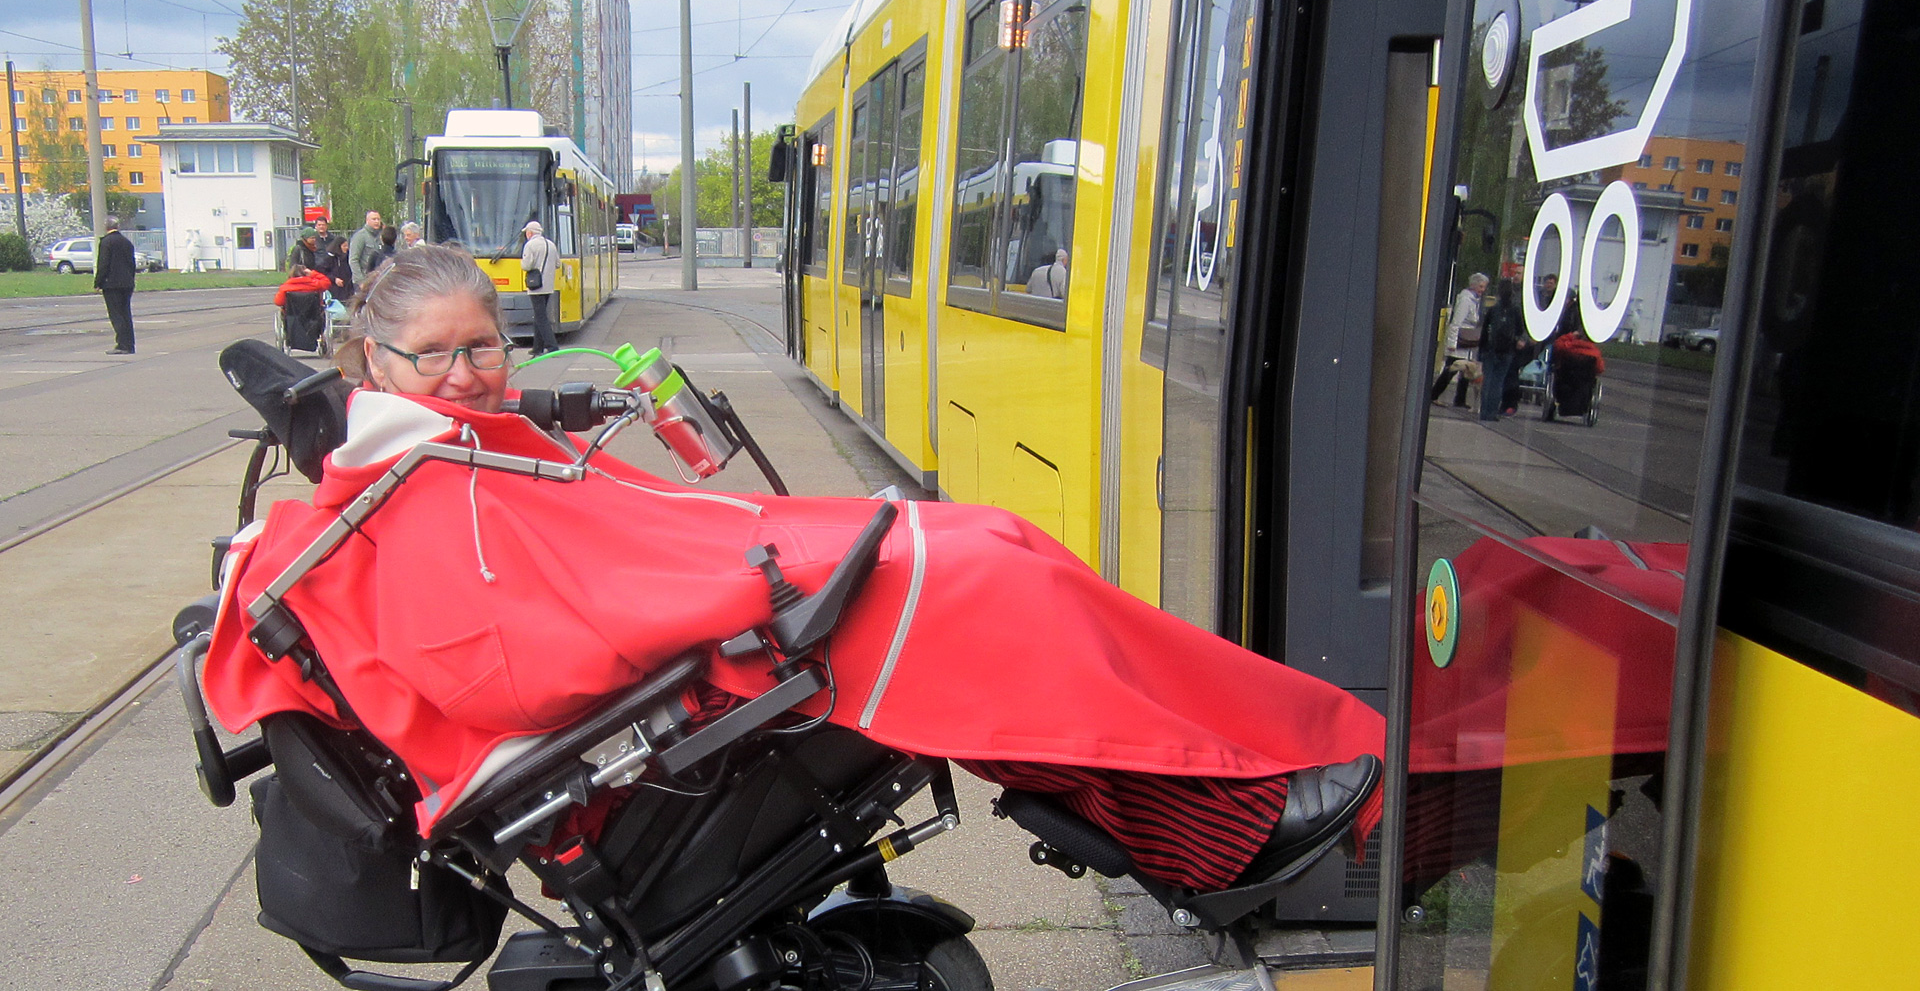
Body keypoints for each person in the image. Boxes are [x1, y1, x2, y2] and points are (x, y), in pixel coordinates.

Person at [205, 247, 1384, 894]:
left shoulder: (423, 451)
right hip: (678, 662)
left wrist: (727, 570)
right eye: (440, 356)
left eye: (486, 346)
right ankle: (1231, 809)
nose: (472, 374)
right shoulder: (404, 493)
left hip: (701, 616)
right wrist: (736, 593)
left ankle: (1220, 803)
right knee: (983, 580)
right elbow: (513, 661)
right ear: (372, 357)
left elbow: (571, 573)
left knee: (991, 547)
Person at [1430, 273, 1487, 407]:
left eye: (1484, 287)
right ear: (1473, 285)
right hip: (1460, 340)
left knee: (1467, 370)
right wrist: (1452, 343)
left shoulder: (1475, 300)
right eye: (1481, 286)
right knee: (1451, 369)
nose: (1483, 290)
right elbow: (1456, 323)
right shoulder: (1466, 300)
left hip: (1467, 341)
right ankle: (1434, 394)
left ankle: (1460, 399)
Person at [1478, 278, 1523, 421]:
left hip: (1491, 349)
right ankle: (1492, 412)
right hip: (1507, 350)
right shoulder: (1515, 310)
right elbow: (1520, 330)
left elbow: (1484, 331)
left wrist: (1482, 349)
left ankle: (1484, 412)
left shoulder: (1492, 310)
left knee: (1488, 381)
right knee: (1498, 382)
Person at [95, 216, 138, 355]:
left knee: (116, 314)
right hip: (127, 283)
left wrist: (98, 282)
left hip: (111, 283)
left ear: (106, 227)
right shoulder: (126, 242)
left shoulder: (106, 242)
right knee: (126, 313)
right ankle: (129, 344)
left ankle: (122, 345)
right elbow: (132, 264)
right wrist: (131, 279)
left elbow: (103, 264)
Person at [519, 219, 560, 355]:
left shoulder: (530, 245)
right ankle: (537, 347)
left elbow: (526, 266)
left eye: (526, 233)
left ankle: (552, 345)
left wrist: (523, 261)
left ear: (530, 233)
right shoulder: (551, 245)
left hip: (536, 286)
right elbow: (558, 264)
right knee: (539, 315)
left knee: (541, 317)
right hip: (548, 286)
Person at [348, 211, 384, 288]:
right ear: (367, 220)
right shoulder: (360, 236)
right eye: (374, 219)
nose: (377, 221)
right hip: (363, 281)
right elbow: (353, 260)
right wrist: (361, 281)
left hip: (376, 280)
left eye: (378, 219)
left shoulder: (380, 236)